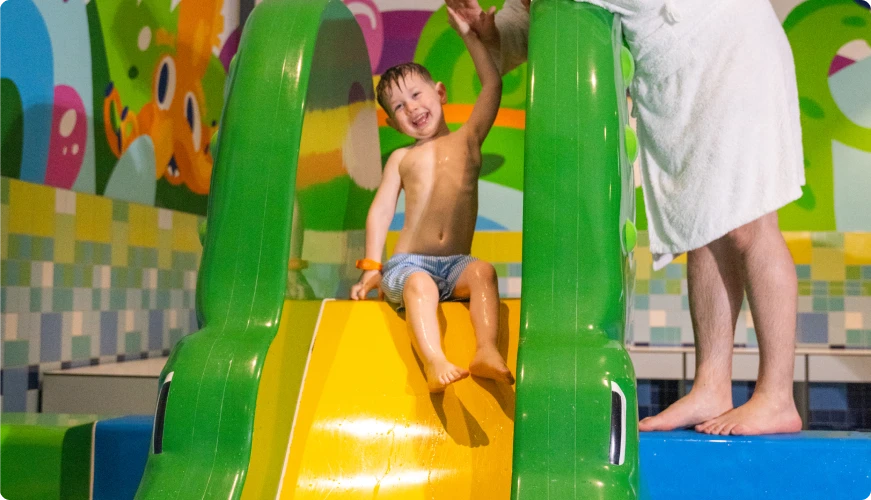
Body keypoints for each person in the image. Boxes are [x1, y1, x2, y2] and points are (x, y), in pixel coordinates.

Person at [446, 0, 804, 435]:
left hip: (727, 43)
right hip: (676, 69)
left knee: (751, 224)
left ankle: (777, 396)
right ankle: (712, 386)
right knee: (704, 226)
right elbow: (531, 28)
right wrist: (487, 31)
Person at [350, 8, 515, 393]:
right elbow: (381, 210)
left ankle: (487, 350)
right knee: (421, 286)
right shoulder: (402, 158)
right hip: (409, 266)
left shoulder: (468, 140)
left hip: (457, 264)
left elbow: (492, 84)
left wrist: (468, 36)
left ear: (439, 92)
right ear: (393, 123)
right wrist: (372, 266)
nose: (412, 108)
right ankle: (434, 360)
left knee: (484, 273)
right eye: (399, 107)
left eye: (416, 95)